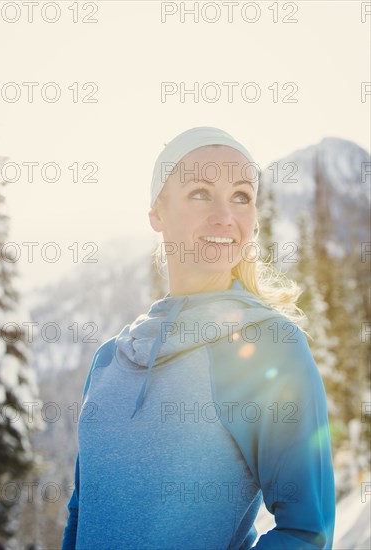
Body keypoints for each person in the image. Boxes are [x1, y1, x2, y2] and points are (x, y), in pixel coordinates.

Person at [61, 127, 336, 549]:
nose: (225, 216)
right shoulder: (109, 360)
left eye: (241, 196)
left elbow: (306, 529)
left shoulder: (269, 347)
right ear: (157, 212)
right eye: (201, 193)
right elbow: (83, 511)